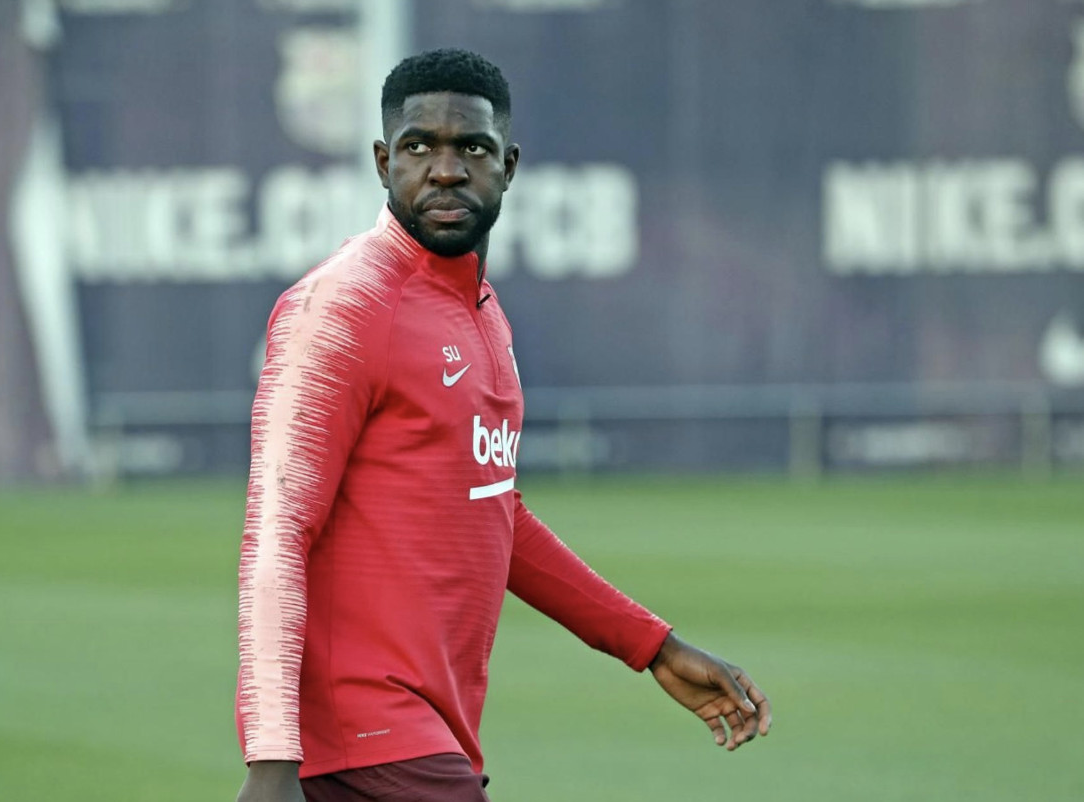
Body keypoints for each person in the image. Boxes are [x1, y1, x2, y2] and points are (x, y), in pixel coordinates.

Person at [235, 48, 771, 802]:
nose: (446, 170)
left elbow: (493, 511)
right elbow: (277, 535)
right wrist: (269, 761)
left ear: (509, 165)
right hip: (365, 743)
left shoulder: (481, 313)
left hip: (428, 737)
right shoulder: (341, 308)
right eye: (420, 147)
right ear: (384, 162)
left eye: (472, 148)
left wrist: (651, 646)